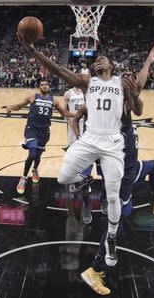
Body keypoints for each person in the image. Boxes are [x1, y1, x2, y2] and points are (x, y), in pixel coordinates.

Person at [18, 32, 142, 269]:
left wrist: (136, 91)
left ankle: (112, 238)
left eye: (102, 58)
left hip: (113, 143)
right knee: (63, 177)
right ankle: (83, 182)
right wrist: (32, 51)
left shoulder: (120, 82)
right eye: (96, 59)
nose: (98, 60)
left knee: (114, 195)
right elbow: (59, 71)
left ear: (112, 66)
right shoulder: (88, 82)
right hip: (89, 138)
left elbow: (137, 110)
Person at [81, 158, 154, 295]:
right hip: (124, 175)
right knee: (116, 227)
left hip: (128, 169)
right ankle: (95, 269)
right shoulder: (112, 139)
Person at [6, 80, 74, 194]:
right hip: (31, 130)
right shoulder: (33, 97)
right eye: (42, 84)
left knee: (37, 156)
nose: (44, 86)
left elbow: (64, 113)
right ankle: (23, 178)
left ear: (49, 87)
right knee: (32, 154)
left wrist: (78, 114)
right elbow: (19, 106)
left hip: (44, 132)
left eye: (46, 84)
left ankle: (35, 169)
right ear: (39, 87)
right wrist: (10, 107)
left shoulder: (54, 100)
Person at [63, 85, 93, 224]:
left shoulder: (89, 93)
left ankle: (88, 204)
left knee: (87, 163)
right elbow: (64, 111)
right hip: (74, 127)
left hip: (89, 129)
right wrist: (74, 118)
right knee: (74, 161)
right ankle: (79, 182)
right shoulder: (68, 93)